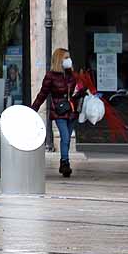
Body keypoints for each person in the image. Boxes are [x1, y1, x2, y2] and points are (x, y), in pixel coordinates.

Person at [31, 47, 87, 178]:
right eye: (66, 58)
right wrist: (34, 108)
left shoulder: (72, 75)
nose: (69, 60)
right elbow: (43, 93)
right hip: (59, 111)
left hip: (72, 110)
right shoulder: (50, 76)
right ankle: (65, 162)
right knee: (65, 136)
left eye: (69, 57)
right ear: (59, 59)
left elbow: (75, 93)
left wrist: (81, 92)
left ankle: (65, 162)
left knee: (66, 139)